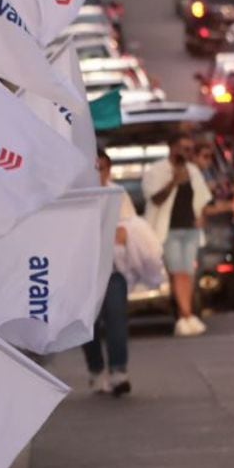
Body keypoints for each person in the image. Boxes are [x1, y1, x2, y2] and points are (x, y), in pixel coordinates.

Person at [142, 134, 213, 336]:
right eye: (183, 148)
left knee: (187, 273)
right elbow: (155, 199)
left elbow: (202, 199)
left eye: (190, 149)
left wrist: (202, 217)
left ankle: (186, 316)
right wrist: (173, 181)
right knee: (176, 273)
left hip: (190, 228)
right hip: (168, 231)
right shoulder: (157, 171)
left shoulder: (192, 171)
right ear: (172, 148)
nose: (187, 153)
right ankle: (185, 315)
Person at [83, 151, 137, 395]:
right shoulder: (77, 196)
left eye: (102, 168)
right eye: (94, 168)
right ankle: (96, 370)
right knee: (88, 324)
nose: (98, 173)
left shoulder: (117, 194)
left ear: (109, 170)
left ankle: (118, 371)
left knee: (116, 318)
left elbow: (125, 231)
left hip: (113, 267)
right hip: (83, 272)